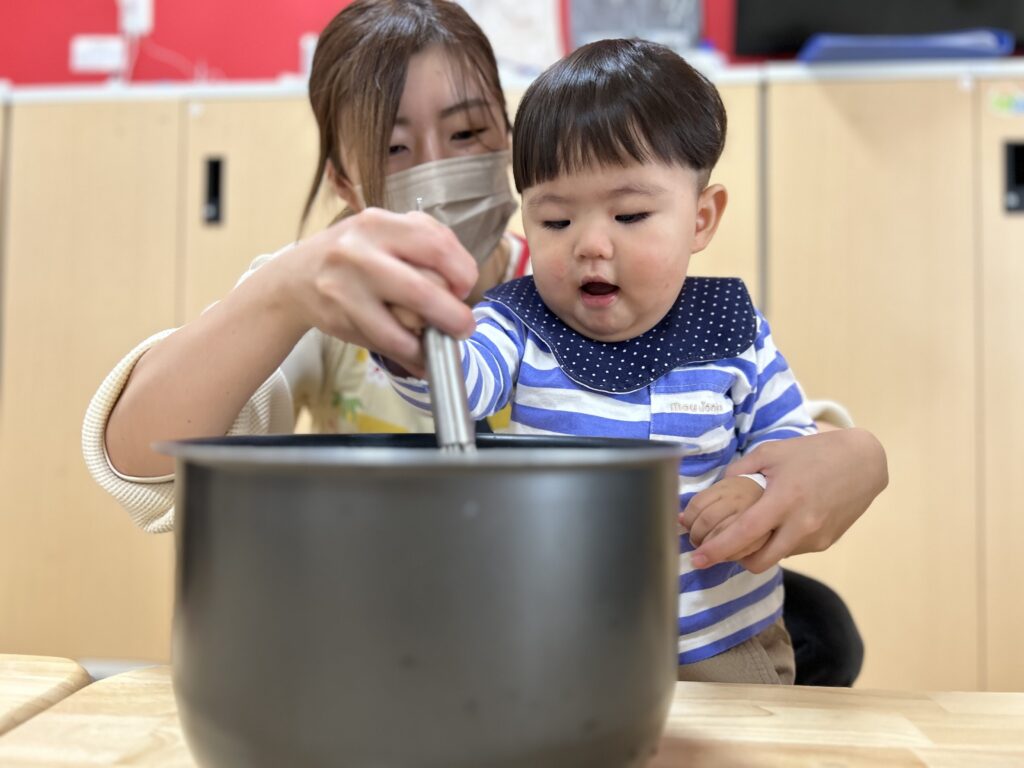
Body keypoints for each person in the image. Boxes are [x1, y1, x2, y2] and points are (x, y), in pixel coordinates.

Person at [81, 0, 885, 682]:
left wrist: (843, 454)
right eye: (394, 148)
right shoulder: (317, 297)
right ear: (345, 182)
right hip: (410, 644)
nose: (436, 169)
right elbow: (139, 464)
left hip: (612, 635)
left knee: (816, 626)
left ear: (511, 138)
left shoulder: (574, 280)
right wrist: (280, 292)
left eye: (467, 132)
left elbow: (724, 415)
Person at [378, 37, 856, 684]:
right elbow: (461, 386)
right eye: (555, 222)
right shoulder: (516, 322)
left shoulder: (733, 331)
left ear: (701, 218)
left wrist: (757, 491)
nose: (591, 245)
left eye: (630, 215)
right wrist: (413, 339)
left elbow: (789, 445)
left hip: (720, 648)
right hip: (561, 650)